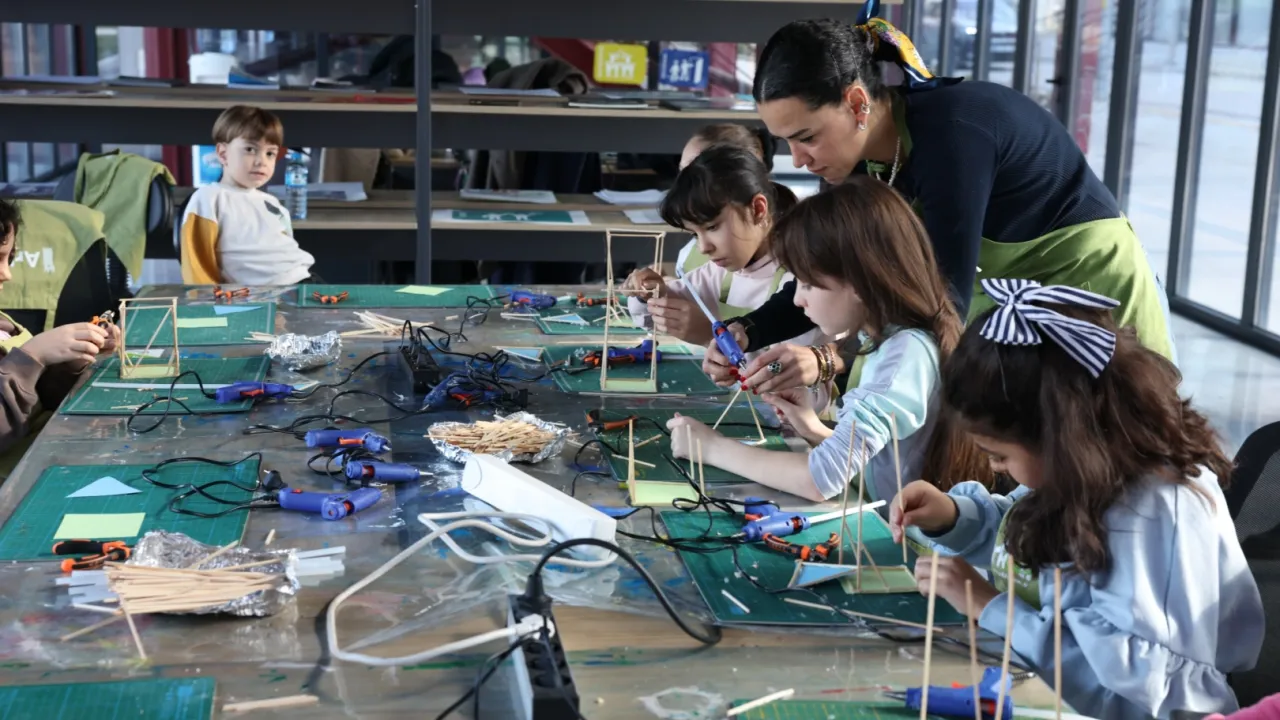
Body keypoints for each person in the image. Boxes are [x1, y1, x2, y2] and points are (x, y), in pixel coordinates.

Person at [703, 8, 1175, 395]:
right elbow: (830, 274)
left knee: (1112, 445)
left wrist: (829, 360)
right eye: (786, 141)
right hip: (1012, 301)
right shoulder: (858, 166)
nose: (798, 159)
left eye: (807, 137)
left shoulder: (952, 137)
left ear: (857, 103)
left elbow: (940, 303)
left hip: (1091, 291)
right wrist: (748, 330)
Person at [891, 279, 1262, 717]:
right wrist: (954, 517)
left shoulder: (1156, 511)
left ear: (1061, 437)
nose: (995, 469)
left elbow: (1132, 684)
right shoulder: (1078, 473)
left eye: (1000, 456)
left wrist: (990, 606)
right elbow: (1032, 540)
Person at [667, 179, 987, 503]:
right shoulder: (884, 338)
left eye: (807, 283)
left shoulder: (905, 355)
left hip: (900, 533)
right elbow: (879, 462)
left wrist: (711, 448)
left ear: (859, 281)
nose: (797, 300)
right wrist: (814, 429)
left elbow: (820, 480)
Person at [623, 146, 815, 352]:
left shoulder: (805, 278)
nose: (703, 247)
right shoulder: (719, 273)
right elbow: (648, 319)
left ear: (757, 209)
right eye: (694, 234)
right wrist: (649, 294)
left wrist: (709, 335)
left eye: (712, 227)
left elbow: (785, 364)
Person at [0, 198, 119, 456]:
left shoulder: (5, 324)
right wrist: (32, 356)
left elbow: (40, 399)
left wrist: (71, 361)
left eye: (9, 259)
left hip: (45, 451)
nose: (7, 274)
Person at [180, 105, 318, 286]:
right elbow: (197, 265)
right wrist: (205, 300)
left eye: (270, 153)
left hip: (304, 281)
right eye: (250, 150)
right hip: (269, 292)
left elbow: (286, 250)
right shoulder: (209, 198)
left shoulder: (272, 203)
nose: (262, 161)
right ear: (223, 154)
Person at [674, 124, 777, 276]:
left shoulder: (794, 261)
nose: (685, 187)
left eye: (713, 227)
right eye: (683, 173)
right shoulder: (693, 255)